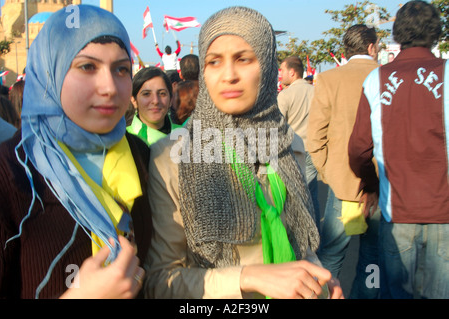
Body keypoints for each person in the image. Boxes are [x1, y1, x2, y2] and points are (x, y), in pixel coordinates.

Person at [144, 6, 343, 299]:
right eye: (214, 62)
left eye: (243, 59)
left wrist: (317, 278)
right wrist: (249, 278)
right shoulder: (172, 157)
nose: (229, 75)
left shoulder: (288, 145)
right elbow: (160, 282)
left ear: (267, 66)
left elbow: (299, 243)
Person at [0, 5, 151, 299]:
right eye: (87, 67)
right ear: (49, 72)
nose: (109, 87)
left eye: (121, 69)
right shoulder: (12, 173)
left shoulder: (140, 156)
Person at [348, 0, 449, 299]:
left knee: (396, 293)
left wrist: (371, 184)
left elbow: (358, 149)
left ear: (396, 34)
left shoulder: (375, 79)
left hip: (396, 213)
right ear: (436, 33)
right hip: (443, 211)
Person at [306, 24, 380, 298]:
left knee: (332, 255)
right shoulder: (385, 76)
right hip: (381, 184)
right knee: (373, 256)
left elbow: (315, 137)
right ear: (372, 47)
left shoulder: (328, 79)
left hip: (343, 185)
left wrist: (328, 173)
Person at [277, 56, 319, 229]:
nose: (280, 74)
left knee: (295, 197)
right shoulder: (317, 92)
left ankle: (302, 238)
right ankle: (315, 235)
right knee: (312, 196)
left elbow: (277, 127)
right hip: (315, 150)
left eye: (282, 70)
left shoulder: (285, 95)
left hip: (295, 152)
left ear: (292, 72)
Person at [127, 66, 183, 146]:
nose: (156, 101)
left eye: (162, 93)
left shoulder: (187, 137)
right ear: (134, 100)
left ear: (171, 100)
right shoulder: (122, 139)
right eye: (146, 94)